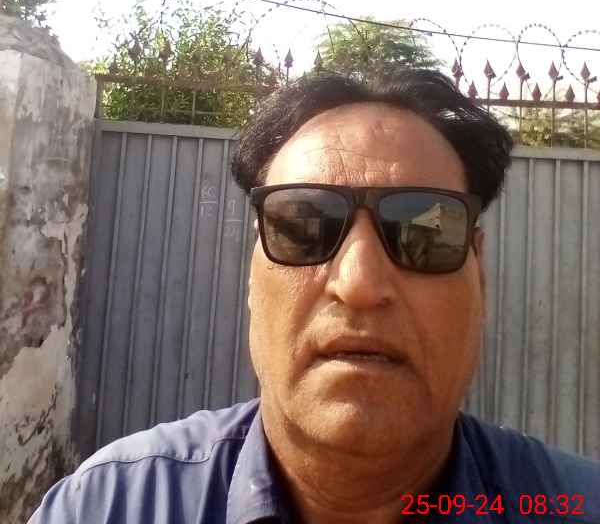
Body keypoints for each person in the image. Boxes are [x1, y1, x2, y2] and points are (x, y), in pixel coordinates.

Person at [31, 70, 600, 523]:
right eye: (303, 226)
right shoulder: (108, 507)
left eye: (424, 231)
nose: (359, 284)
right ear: (252, 276)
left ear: (481, 277)